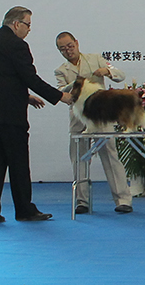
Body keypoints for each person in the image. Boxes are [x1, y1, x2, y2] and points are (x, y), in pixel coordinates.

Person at [0, 6, 74, 224]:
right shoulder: (17, 44)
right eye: (28, 25)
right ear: (17, 24)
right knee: (18, 162)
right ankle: (24, 209)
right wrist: (59, 96)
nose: (29, 30)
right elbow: (30, 77)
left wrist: (25, 96)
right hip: (10, 113)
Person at [54, 31, 134, 215]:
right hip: (78, 119)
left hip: (101, 117)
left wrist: (107, 71)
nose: (68, 51)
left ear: (77, 43)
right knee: (79, 159)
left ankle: (123, 199)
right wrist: (76, 84)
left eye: (70, 46)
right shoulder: (61, 70)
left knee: (111, 156)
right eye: (63, 49)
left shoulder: (96, 59)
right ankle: (82, 201)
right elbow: (61, 92)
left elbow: (120, 75)